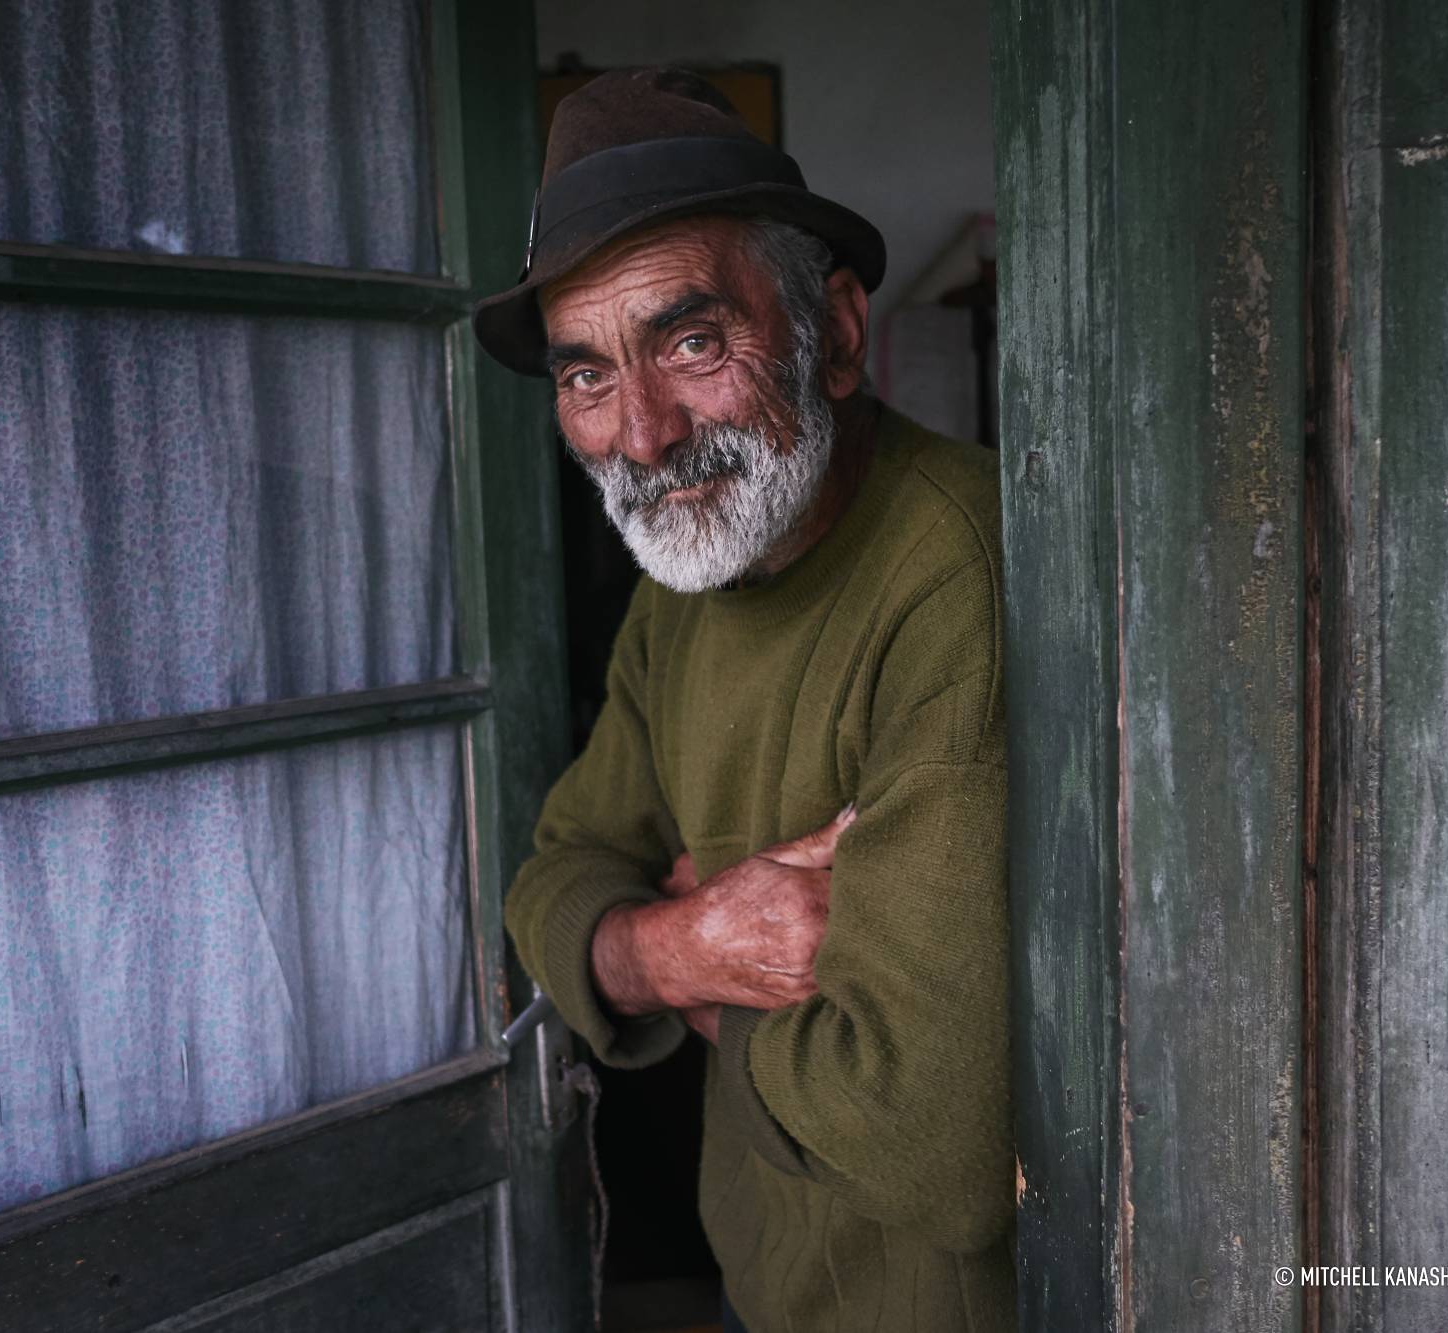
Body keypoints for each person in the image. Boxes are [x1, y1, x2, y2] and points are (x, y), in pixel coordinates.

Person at [472, 67, 1015, 1333]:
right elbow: (554, 875)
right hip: (759, 1283)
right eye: (585, 376)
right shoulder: (689, 576)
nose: (643, 435)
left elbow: (933, 1142)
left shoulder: (958, 575)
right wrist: (682, 945)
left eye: (689, 341)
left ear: (831, 333)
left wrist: (667, 975)